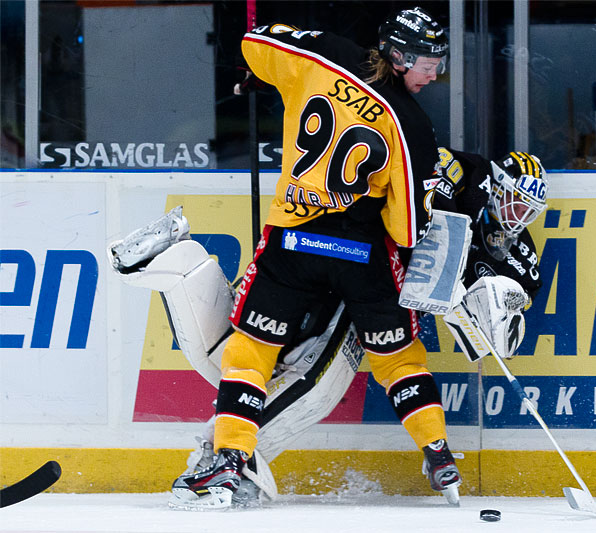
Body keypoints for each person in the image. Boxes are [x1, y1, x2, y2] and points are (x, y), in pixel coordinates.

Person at [165, 7, 455, 509]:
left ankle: (230, 458)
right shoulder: (414, 127)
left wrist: (267, 76)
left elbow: (255, 41)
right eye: (429, 63)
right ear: (400, 56)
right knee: (396, 355)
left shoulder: (325, 54)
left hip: (293, 245)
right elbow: (406, 228)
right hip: (361, 255)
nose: (435, 74)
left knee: (252, 350)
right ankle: (436, 449)